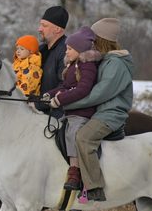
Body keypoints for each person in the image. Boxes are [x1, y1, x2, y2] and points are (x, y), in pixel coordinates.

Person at [64, 18, 134, 201]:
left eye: (94, 39)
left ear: (102, 40)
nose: (90, 43)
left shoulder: (116, 64)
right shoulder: (102, 61)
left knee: (84, 137)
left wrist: (67, 103)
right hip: (98, 111)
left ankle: (94, 187)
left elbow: (99, 94)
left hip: (111, 113)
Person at [45, 26, 101, 190]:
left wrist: (60, 99)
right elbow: (65, 86)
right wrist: (49, 94)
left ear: (80, 50)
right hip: (70, 112)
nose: (66, 52)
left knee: (72, 133)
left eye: (70, 49)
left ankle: (75, 171)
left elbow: (82, 90)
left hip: (82, 113)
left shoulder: (87, 66)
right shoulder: (72, 66)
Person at [34, 6, 69, 118]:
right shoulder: (40, 50)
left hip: (55, 116)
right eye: (40, 24)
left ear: (57, 29)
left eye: (44, 26)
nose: (39, 29)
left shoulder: (66, 51)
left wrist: (38, 104)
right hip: (35, 112)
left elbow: (65, 86)